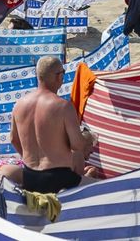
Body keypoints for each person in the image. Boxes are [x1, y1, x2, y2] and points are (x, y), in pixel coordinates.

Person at [9, 56, 85, 194]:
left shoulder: (19, 104)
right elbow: (77, 145)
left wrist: (30, 159)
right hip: (59, 177)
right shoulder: (63, 106)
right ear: (59, 76)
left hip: (29, 177)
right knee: (105, 188)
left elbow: (13, 139)